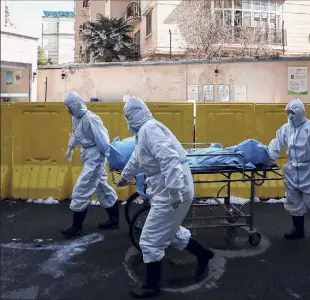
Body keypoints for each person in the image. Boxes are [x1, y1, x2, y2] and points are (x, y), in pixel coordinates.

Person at [117, 95, 214, 299]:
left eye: (128, 116)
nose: (127, 121)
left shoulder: (150, 129)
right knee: (170, 232)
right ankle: (203, 254)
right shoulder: (144, 132)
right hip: (166, 188)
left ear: (136, 114)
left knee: (150, 240)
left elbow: (169, 159)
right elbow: (137, 158)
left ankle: (152, 286)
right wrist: (125, 176)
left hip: (171, 189)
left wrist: (174, 191)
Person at [267, 98, 310, 240]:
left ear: (300, 112)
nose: (290, 115)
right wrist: (269, 156)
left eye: (292, 112)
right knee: (293, 201)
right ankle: (298, 230)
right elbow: (276, 142)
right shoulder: (286, 129)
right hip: (292, 170)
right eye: (288, 112)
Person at [62, 91, 119, 238]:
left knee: (82, 188)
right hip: (88, 155)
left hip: (96, 158)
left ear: (76, 105)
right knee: (102, 188)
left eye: (69, 106)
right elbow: (76, 135)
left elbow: (102, 140)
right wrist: (70, 149)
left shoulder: (91, 119)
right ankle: (114, 219)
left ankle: (76, 226)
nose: (68, 109)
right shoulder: (76, 119)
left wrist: (108, 156)